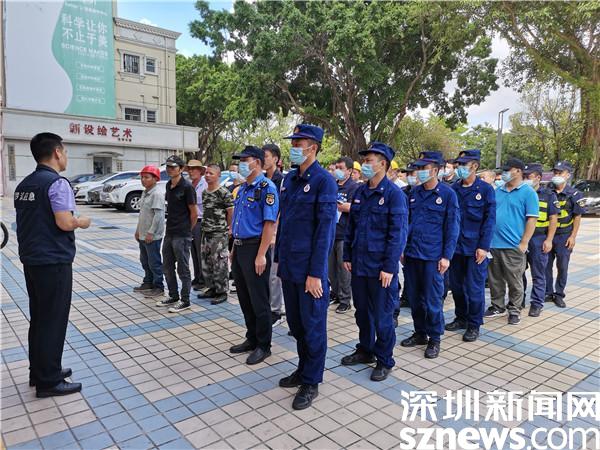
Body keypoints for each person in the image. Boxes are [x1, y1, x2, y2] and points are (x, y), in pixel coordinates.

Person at [15, 132, 91, 397]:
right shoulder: (57, 183)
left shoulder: (24, 185)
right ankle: (48, 381)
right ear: (57, 152)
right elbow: (65, 222)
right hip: (54, 261)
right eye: (65, 151)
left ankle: (40, 371)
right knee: (53, 320)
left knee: (39, 318)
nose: (66, 156)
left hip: (32, 261)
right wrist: (82, 221)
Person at [275, 124, 337, 410]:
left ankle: (311, 381)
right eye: (293, 143)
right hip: (290, 266)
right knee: (296, 325)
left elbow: (325, 232)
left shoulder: (324, 182)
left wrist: (316, 274)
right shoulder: (290, 179)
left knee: (313, 327)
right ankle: (302, 369)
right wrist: (279, 259)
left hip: (310, 271)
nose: (293, 148)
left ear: (313, 147)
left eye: (298, 144)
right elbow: (285, 223)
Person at [341, 143, 408, 381]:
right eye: (365, 160)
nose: (365, 165)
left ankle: (384, 359)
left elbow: (397, 234)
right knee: (362, 313)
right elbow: (351, 227)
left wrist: (389, 267)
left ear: (383, 164)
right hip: (360, 264)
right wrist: (347, 255)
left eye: (369, 161)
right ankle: (366, 349)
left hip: (381, 268)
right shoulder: (360, 192)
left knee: (382, 316)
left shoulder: (394, 195)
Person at [400, 151, 459, 359]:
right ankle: (420, 332)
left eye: (423, 168)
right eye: (418, 168)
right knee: (415, 298)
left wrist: (446, 256)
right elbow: (405, 223)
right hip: (412, 254)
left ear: (435, 170)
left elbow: (452, 227)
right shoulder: (413, 193)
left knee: (433, 300)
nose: (419, 172)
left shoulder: (448, 195)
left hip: (433, 257)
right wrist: (402, 249)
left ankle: (434, 338)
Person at [229, 146, 279, 365]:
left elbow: (269, 224)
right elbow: (238, 222)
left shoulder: (267, 188)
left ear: (257, 162)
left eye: (245, 160)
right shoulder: (242, 189)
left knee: (259, 299)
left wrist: (261, 255)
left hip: (255, 248)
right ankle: (251, 338)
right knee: (244, 297)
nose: (241, 164)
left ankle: (264, 345)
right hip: (240, 248)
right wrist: (233, 249)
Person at [445, 150, 496, 342]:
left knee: (474, 289)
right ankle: (461, 317)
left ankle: (474, 324)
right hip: (456, 247)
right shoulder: (453, 189)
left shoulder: (485, 190)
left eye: (463, 164)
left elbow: (490, 220)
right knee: (457, 286)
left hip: (476, 248)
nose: (459, 168)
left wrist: (484, 246)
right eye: (458, 164)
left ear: (474, 166)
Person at [485, 158, 539, 325]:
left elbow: (532, 219)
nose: (504, 173)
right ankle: (497, 306)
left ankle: (515, 310)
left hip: (513, 245)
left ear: (518, 171)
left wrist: (524, 243)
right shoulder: (498, 191)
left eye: (507, 170)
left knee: (515, 281)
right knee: (495, 279)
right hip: (494, 244)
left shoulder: (528, 192)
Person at [156, 155, 198, 313]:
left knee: (183, 269)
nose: (170, 169)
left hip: (182, 234)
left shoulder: (187, 187)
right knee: (167, 266)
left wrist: (187, 230)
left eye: (173, 167)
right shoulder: (169, 185)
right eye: (168, 166)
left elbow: (194, 213)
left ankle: (185, 300)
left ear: (181, 169)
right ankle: (173, 296)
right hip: (170, 232)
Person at [545, 161, 586, 308]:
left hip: (564, 236)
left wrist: (573, 236)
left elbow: (577, 216)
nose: (556, 175)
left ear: (568, 175)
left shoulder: (575, 194)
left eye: (560, 173)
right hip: (547, 235)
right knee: (546, 265)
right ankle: (548, 292)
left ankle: (559, 294)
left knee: (562, 266)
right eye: (555, 172)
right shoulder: (547, 192)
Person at [522, 163, 559, 317]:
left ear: (538, 177)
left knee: (538, 273)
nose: (525, 179)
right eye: (524, 176)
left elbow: (553, 219)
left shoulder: (548, 195)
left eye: (528, 176)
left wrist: (549, 239)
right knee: (519, 272)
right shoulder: (521, 192)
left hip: (538, 238)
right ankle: (519, 300)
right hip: (521, 237)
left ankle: (537, 303)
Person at [196, 164, 234, 305]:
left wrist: (229, 228)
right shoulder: (205, 192)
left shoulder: (224, 192)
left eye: (211, 173)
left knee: (219, 262)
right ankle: (211, 288)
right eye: (206, 173)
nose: (207, 175)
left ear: (218, 175)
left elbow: (231, 212)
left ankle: (222, 291)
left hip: (219, 233)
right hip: (206, 231)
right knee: (206, 262)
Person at [329, 156, 359, 313]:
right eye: (336, 168)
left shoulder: (354, 188)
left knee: (344, 269)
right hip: (330, 233)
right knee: (331, 268)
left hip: (344, 234)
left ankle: (345, 300)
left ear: (349, 171)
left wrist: (347, 207)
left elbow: (358, 208)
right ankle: (335, 293)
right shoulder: (331, 185)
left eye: (341, 168)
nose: (337, 171)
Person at [134, 165, 165, 298]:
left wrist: (151, 232)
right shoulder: (145, 192)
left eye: (147, 177)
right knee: (145, 260)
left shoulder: (157, 194)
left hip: (152, 236)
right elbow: (143, 214)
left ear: (155, 179)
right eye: (142, 177)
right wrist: (138, 230)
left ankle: (159, 286)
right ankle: (148, 282)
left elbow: (158, 216)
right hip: (143, 234)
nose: (143, 180)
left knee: (154, 262)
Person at [262, 144, 285, 326]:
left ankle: (276, 310)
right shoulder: (261, 180)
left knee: (274, 274)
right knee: (264, 272)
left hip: (276, 232)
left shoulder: (282, 181)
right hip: (262, 231)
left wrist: (275, 232)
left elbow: (282, 209)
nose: (263, 159)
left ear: (276, 159)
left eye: (266, 156)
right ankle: (267, 306)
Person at [187, 160, 208, 291]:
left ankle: (204, 279)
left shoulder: (204, 185)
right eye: (189, 169)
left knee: (201, 253)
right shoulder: (190, 185)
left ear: (200, 171)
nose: (191, 171)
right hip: (190, 222)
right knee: (193, 252)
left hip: (201, 222)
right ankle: (197, 277)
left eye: (194, 169)